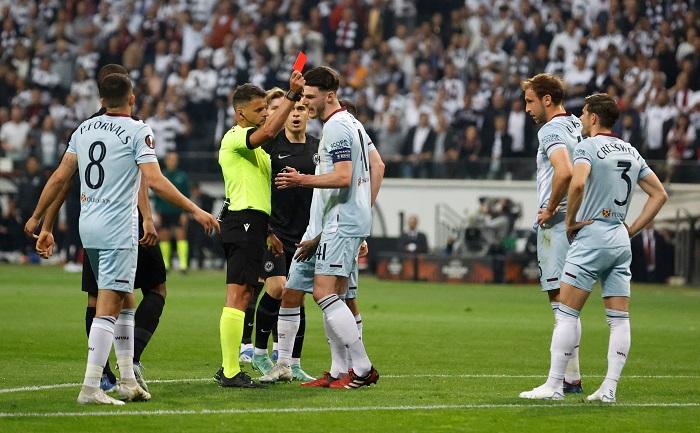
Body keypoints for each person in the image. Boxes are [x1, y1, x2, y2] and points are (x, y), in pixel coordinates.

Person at [26, 73, 219, 405]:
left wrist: (37, 218)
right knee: (109, 304)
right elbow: (154, 181)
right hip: (117, 228)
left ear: (101, 100)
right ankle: (91, 387)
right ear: (132, 98)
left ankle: (127, 380)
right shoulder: (137, 130)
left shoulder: (83, 129)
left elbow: (60, 177)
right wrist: (195, 210)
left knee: (126, 298)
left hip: (89, 226)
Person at [519, 93, 667, 402]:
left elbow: (576, 183)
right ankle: (608, 389)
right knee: (619, 319)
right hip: (619, 237)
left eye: (585, 114)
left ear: (595, 118)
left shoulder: (587, 147)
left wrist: (570, 221)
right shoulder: (630, 150)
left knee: (566, 313)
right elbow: (659, 195)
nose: (581, 119)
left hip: (592, 235)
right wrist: (632, 229)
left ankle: (555, 385)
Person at [263, 66, 383, 389]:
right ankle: (333, 370)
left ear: (329, 95)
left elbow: (343, 176)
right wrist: (362, 209)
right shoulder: (351, 124)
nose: (305, 103)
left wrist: (301, 180)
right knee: (296, 291)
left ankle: (362, 367)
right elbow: (378, 165)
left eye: (310, 97)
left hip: (340, 223)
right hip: (326, 225)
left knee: (325, 294)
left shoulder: (337, 127)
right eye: (303, 96)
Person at [214, 70, 305, 388]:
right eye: (259, 109)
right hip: (242, 220)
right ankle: (229, 371)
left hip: (253, 223)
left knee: (244, 294)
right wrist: (291, 96)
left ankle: (228, 368)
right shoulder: (235, 137)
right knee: (238, 294)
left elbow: (259, 192)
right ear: (241, 114)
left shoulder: (258, 153)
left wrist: (268, 230)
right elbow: (268, 132)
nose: (265, 114)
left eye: (267, 109)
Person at [246, 88, 318, 382]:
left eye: (302, 109)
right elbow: (258, 187)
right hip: (274, 232)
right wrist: (265, 229)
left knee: (296, 297)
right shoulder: (270, 147)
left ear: (309, 113)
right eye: (293, 109)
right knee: (277, 288)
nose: (296, 114)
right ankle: (260, 353)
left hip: (305, 236)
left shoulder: (318, 148)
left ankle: (293, 363)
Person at [522, 73, 584, 393]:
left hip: (557, 225)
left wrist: (549, 208)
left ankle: (559, 380)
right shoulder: (577, 125)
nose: (527, 109)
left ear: (547, 99)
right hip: (578, 221)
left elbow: (565, 171)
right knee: (570, 304)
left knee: (560, 303)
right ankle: (571, 377)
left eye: (530, 101)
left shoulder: (550, 130)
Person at [155, 151, 191, 272]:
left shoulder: (182, 176)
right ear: (166, 161)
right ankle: (166, 264)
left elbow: (187, 195)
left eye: (175, 159)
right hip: (165, 210)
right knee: (164, 236)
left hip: (178, 210)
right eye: (170, 159)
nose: (173, 162)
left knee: (181, 235)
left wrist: (185, 213)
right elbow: (157, 196)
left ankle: (183, 265)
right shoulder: (161, 175)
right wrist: (158, 213)